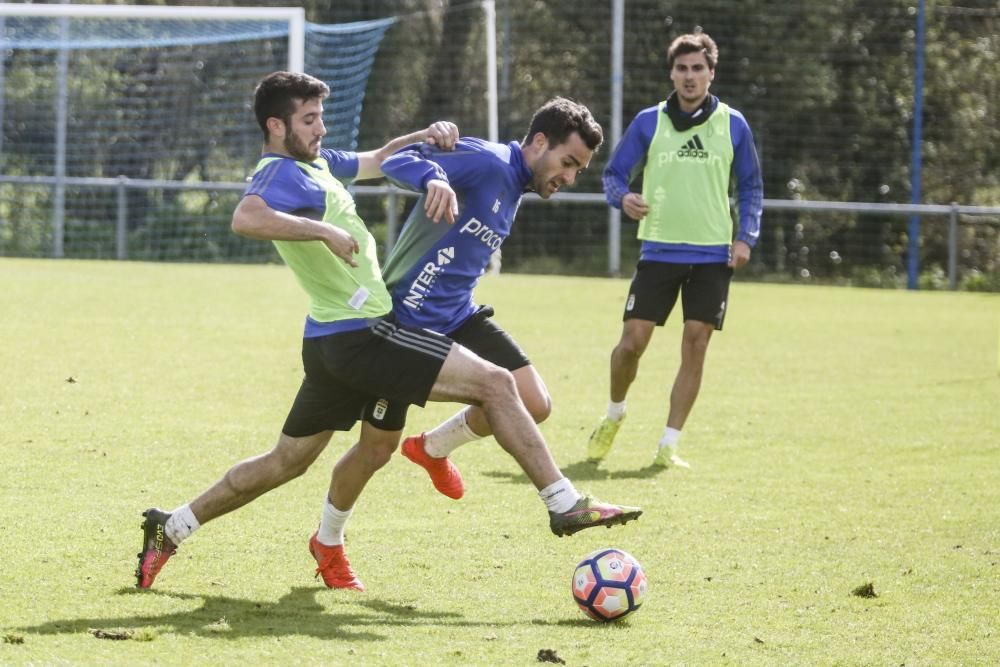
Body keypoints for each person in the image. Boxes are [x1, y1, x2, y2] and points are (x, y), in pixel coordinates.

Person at [136, 72, 641, 592]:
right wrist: (324, 230)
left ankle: (172, 526)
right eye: (309, 119)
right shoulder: (283, 173)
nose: (322, 128)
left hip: (334, 335)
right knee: (495, 385)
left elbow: (380, 159)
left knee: (291, 460)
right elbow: (246, 216)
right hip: (368, 332)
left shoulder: (319, 164)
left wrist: (429, 136)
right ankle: (563, 504)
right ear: (276, 124)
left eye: (320, 117)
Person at [377, 97, 602, 500]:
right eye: (568, 162)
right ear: (538, 142)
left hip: (458, 315)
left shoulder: (516, 185)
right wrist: (433, 178)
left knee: (534, 402)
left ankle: (431, 448)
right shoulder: (490, 162)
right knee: (373, 449)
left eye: (578, 170)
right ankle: (329, 536)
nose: (570, 177)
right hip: (406, 319)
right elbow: (394, 162)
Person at [586, 32, 763, 469]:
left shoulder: (733, 124)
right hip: (659, 250)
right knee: (632, 343)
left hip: (712, 257)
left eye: (697, 68)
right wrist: (623, 198)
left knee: (696, 344)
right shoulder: (649, 122)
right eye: (682, 68)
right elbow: (613, 175)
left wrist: (746, 237)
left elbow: (751, 187)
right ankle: (614, 413)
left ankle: (669, 443)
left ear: (711, 73)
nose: (689, 76)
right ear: (672, 72)